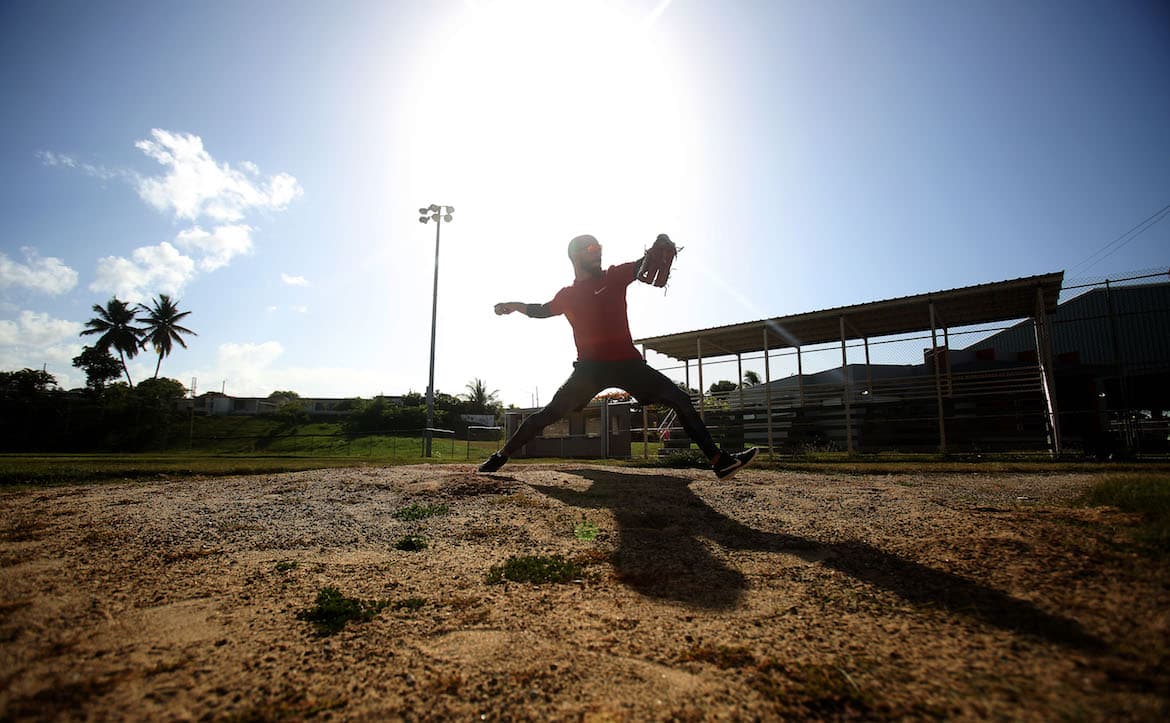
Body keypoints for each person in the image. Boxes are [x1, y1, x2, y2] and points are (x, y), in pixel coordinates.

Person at [478, 233, 759, 480]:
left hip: (628, 364)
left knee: (680, 399)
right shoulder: (569, 294)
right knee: (549, 414)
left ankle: (719, 461)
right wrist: (513, 305)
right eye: (591, 249)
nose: (598, 251)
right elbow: (541, 309)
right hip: (590, 369)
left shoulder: (613, 276)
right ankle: (500, 457)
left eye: (599, 247)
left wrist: (658, 246)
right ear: (575, 256)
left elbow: (640, 266)